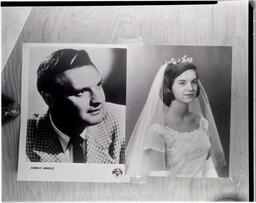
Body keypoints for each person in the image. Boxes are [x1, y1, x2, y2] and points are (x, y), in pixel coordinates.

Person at [126, 55, 226, 177]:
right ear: (169, 88)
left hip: (203, 190)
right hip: (173, 192)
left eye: (193, 82)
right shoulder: (157, 130)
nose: (190, 88)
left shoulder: (202, 123)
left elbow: (208, 165)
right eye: (182, 83)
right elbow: (158, 179)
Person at [26, 48, 125, 164]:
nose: (98, 100)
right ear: (49, 98)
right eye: (81, 91)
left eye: (98, 84)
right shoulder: (26, 138)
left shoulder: (122, 121)